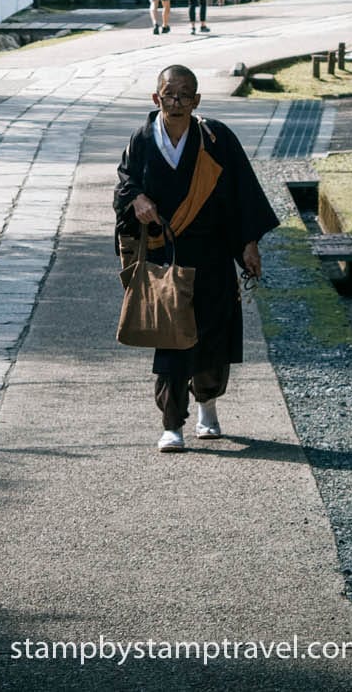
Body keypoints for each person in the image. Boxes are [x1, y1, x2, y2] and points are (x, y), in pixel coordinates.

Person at [114, 65, 279, 452]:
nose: (176, 101)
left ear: (197, 100)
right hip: (166, 256)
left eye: (185, 94)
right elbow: (125, 184)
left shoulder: (216, 138)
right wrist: (136, 199)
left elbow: (243, 195)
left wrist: (248, 245)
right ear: (156, 98)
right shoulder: (141, 139)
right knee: (171, 340)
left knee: (212, 336)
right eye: (169, 94)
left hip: (214, 253)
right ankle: (172, 423)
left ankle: (208, 407)